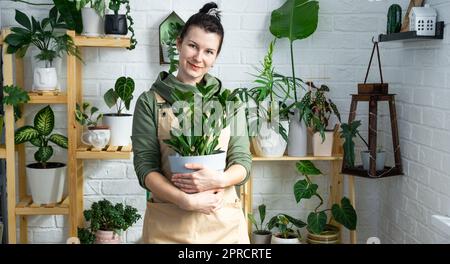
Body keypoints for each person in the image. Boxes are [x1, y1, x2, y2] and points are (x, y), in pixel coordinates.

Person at [131, 2, 252, 243]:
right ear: (178, 44)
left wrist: (219, 180)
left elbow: (242, 162)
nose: (198, 57)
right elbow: (145, 168)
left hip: (223, 224)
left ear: (215, 57)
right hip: (169, 224)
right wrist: (184, 200)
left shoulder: (229, 102)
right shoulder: (149, 102)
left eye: (209, 51)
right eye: (193, 46)